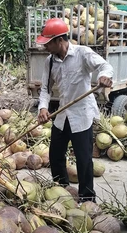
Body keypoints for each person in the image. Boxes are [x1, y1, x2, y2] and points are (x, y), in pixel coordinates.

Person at [36, 18, 113, 203]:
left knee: (84, 159)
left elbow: (105, 66)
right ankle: (60, 191)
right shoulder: (50, 61)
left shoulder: (82, 53)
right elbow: (46, 88)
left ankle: (87, 198)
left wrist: (104, 76)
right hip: (62, 114)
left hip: (82, 114)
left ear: (59, 40)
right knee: (55, 155)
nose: (45, 47)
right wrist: (43, 108)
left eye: (47, 43)